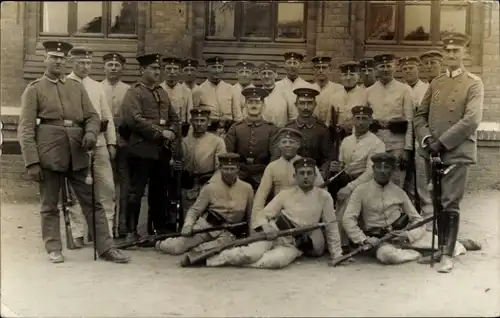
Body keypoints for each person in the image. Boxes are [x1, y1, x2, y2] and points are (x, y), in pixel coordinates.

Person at [18, 40, 129, 263]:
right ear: (45, 59)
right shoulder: (35, 89)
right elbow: (26, 128)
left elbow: (92, 116)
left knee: (93, 202)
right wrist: (32, 162)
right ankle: (53, 248)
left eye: (62, 58)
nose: (58, 62)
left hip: (78, 152)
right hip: (49, 153)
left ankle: (105, 247)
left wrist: (90, 133)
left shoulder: (76, 87)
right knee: (50, 205)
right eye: (54, 57)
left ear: (67, 61)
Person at [414, 32, 484, 273]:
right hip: (432, 151)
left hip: (455, 152)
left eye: (456, 51)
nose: (451, 55)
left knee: (449, 202)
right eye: (448, 51)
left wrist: (441, 143)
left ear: (465, 53)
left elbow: (471, 120)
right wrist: (426, 138)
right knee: (436, 202)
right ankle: (441, 247)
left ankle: (447, 254)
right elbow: (420, 115)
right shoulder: (437, 83)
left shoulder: (474, 83)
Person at [206, 157, 343, 269]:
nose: (306, 176)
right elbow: (262, 215)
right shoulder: (285, 194)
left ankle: (238, 262)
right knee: (249, 255)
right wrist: (266, 228)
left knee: (275, 262)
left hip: (295, 243)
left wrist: (337, 254)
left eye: (309, 173)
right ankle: (215, 258)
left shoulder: (324, 197)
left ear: (315, 176)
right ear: (295, 176)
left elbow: (331, 226)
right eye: (302, 173)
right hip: (273, 233)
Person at [120, 52, 180, 242]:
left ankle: (158, 230)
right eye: (153, 68)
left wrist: (171, 130)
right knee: (135, 191)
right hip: (141, 149)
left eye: (158, 68)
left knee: (159, 191)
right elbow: (133, 120)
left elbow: (175, 118)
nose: (157, 71)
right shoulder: (134, 92)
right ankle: (130, 231)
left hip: (161, 151)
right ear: (142, 70)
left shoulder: (162, 92)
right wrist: (161, 132)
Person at [66, 46, 117, 244]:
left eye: (88, 63)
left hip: (100, 143)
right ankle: (78, 232)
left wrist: (112, 142)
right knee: (77, 189)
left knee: (107, 188)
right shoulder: (64, 84)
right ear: (72, 63)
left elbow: (107, 116)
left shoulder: (97, 86)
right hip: (76, 144)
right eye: (81, 63)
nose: (86, 67)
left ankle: (106, 234)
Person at [156, 153, 254, 255]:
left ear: (237, 168)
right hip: (206, 227)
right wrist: (188, 225)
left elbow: (251, 216)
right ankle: (160, 243)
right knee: (177, 248)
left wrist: (251, 237)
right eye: (226, 168)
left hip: (228, 234)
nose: (229, 172)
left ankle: (197, 250)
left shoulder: (247, 188)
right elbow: (195, 210)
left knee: (203, 252)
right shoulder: (210, 187)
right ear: (220, 168)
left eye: (232, 168)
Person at [342, 152, 427, 265]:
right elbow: (348, 219)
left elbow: (418, 220)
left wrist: (408, 235)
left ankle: (411, 249)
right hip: (377, 240)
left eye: (386, 167)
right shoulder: (360, 191)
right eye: (378, 167)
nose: (382, 171)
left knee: (443, 244)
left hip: (400, 237)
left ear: (392, 170)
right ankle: (416, 254)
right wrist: (364, 239)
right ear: (373, 169)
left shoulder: (399, 192)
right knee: (387, 255)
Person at [328, 106, 386, 251]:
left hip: (366, 183)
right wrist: (335, 168)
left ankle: (342, 244)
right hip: (346, 180)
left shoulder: (377, 143)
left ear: (371, 120)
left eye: (364, 119)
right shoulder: (346, 141)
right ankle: (331, 239)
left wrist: (349, 187)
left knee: (346, 203)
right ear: (352, 120)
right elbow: (342, 166)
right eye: (357, 118)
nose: (360, 122)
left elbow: (370, 173)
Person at [252, 128, 325, 218]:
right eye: (284, 142)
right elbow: (261, 195)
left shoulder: (308, 164)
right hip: (279, 213)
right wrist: (256, 221)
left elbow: (322, 189)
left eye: (291, 142)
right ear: (279, 145)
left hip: (304, 211)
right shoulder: (272, 166)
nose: (287, 145)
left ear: (298, 145)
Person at [366, 53, 414, 188]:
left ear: (395, 68)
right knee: (374, 180)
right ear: (376, 69)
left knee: (397, 181)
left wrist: (407, 149)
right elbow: (364, 120)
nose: (385, 69)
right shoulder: (368, 91)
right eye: (382, 66)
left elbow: (410, 120)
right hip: (376, 141)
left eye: (389, 66)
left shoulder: (405, 90)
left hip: (397, 142)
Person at [224, 87, 280, 190]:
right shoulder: (236, 128)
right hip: (239, 174)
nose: (254, 105)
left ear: (263, 105)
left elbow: (275, 156)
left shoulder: (271, 129)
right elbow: (228, 153)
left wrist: (268, 175)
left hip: (263, 173)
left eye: (257, 102)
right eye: (250, 102)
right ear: (245, 105)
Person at [172, 107, 226, 211]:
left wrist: (212, 186)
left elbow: (220, 168)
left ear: (209, 122)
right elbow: (175, 162)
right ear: (191, 122)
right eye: (196, 120)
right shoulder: (183, 142)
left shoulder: (217, 142)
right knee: (187, 219)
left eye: (202, 120)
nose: (199, 124)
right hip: (188, 186)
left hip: (208, 185)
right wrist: (175, 166)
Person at [398, 56, 431, 223]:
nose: (408, 71)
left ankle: (428, 222)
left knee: (423, 184)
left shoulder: (426, 88)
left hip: (420, 143)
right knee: (407, 184)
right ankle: (411, 220)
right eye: (404, 69)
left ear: (418, 68)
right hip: (403, 141)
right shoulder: (400, 89)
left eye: (411, 68)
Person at [101, 52, 131, 238]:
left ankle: (122, 226)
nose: (113, 68)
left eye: (116, 65)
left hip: (124, 143)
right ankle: (103, 228)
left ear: (122, 68)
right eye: (110, 64)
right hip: (102, 142)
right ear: (104, 67)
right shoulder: (97, 88)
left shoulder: (128, 90)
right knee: (104, 185)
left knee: (125, 186)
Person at [285, 87, 334, 173]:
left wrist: (321, 173)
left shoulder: (322, 129)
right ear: (296, 105)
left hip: (316, 173)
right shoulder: (288, 128)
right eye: (302, 103)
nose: (306, 107)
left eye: (310, 103)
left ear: (315, 105)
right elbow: (283, 157)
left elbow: (328, 157)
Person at [193, 56, 242, 134]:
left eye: (219, 67)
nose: (217, 71)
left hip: (228, 130)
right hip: (208, 131)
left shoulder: (230, 89)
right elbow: (194, 116)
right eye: (213, 67)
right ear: (206, 68)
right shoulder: (198, 90)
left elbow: (237, 116)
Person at [326, 61, 368, 133]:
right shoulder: (334, 97)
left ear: (358, 77)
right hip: (339, 137)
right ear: (341, 77)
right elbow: (329, 122)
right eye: (345, 75)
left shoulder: (365, 95)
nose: (348, 78)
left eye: (352, 75)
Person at [258, 61, 297, 128]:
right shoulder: (257, 95)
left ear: (276, 75)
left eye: (270, 73)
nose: (266, 76)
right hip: (263, 132)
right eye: (264, 73)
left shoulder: (286, 93)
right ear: (259, 76)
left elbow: (293, 117)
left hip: (281, 132)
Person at [160, 56, 193, 134]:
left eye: (175, 69)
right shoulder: (158, 89)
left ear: (180, 71)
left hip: (181, 130)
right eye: (168, 68)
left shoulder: (186, 91)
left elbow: (189, 116)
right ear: (163, 71)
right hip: (163, 129)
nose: (172, 72)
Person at [310, 56, 343, 125]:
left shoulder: (338, 89)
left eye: (324, 68)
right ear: (313, 70)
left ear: (330, 70)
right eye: (318, 68)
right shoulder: (309, 89)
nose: (321, 70)